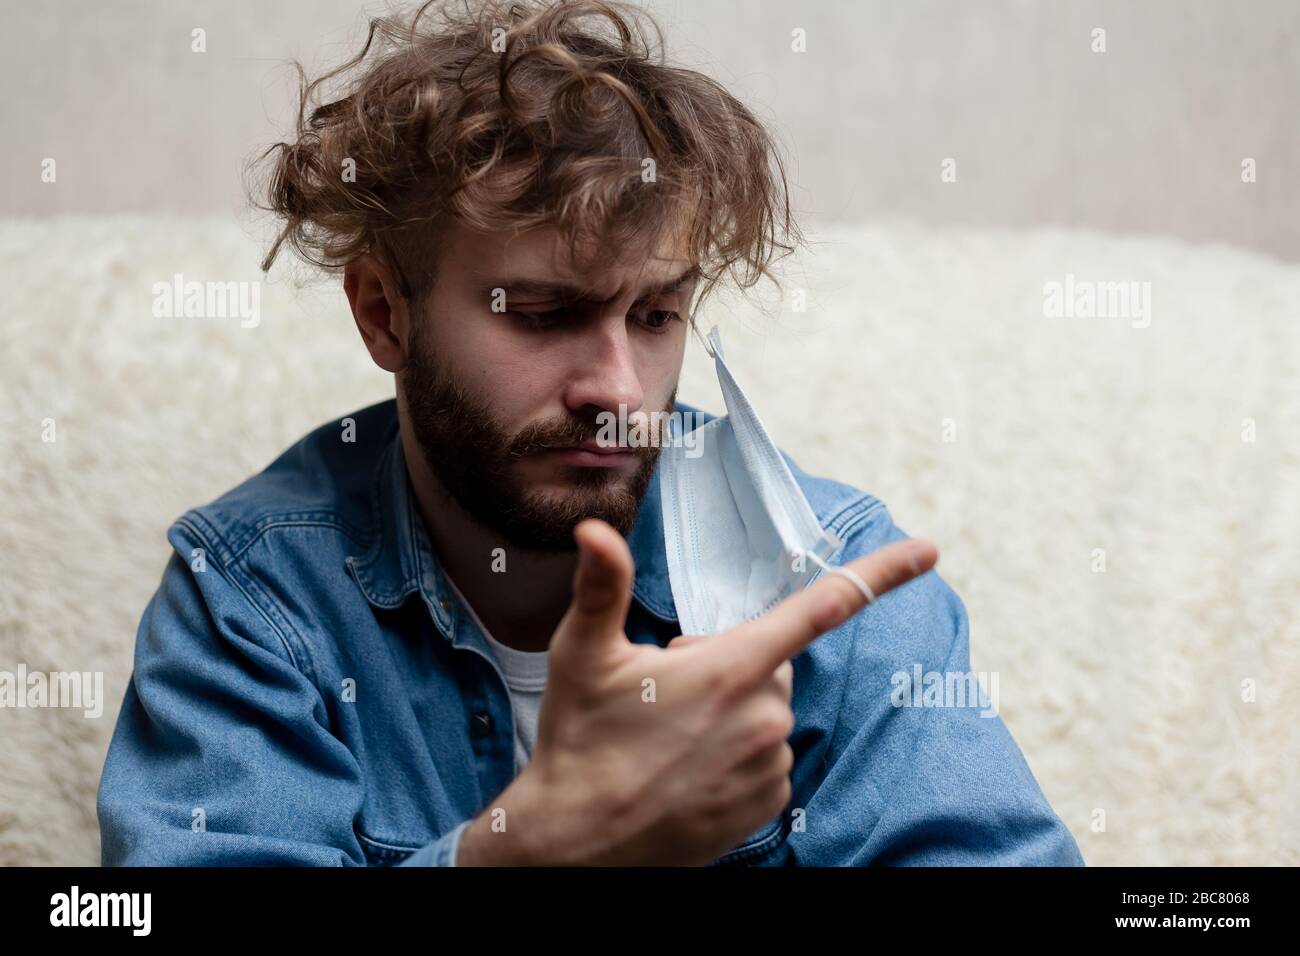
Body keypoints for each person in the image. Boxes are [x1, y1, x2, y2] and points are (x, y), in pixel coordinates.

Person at [97, 0, 1084, 866]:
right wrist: (527, 849)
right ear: (384, 313)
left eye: (656, 315)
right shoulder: (254, 603)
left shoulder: (825, 580)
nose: (617, 387)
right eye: (540, 312)